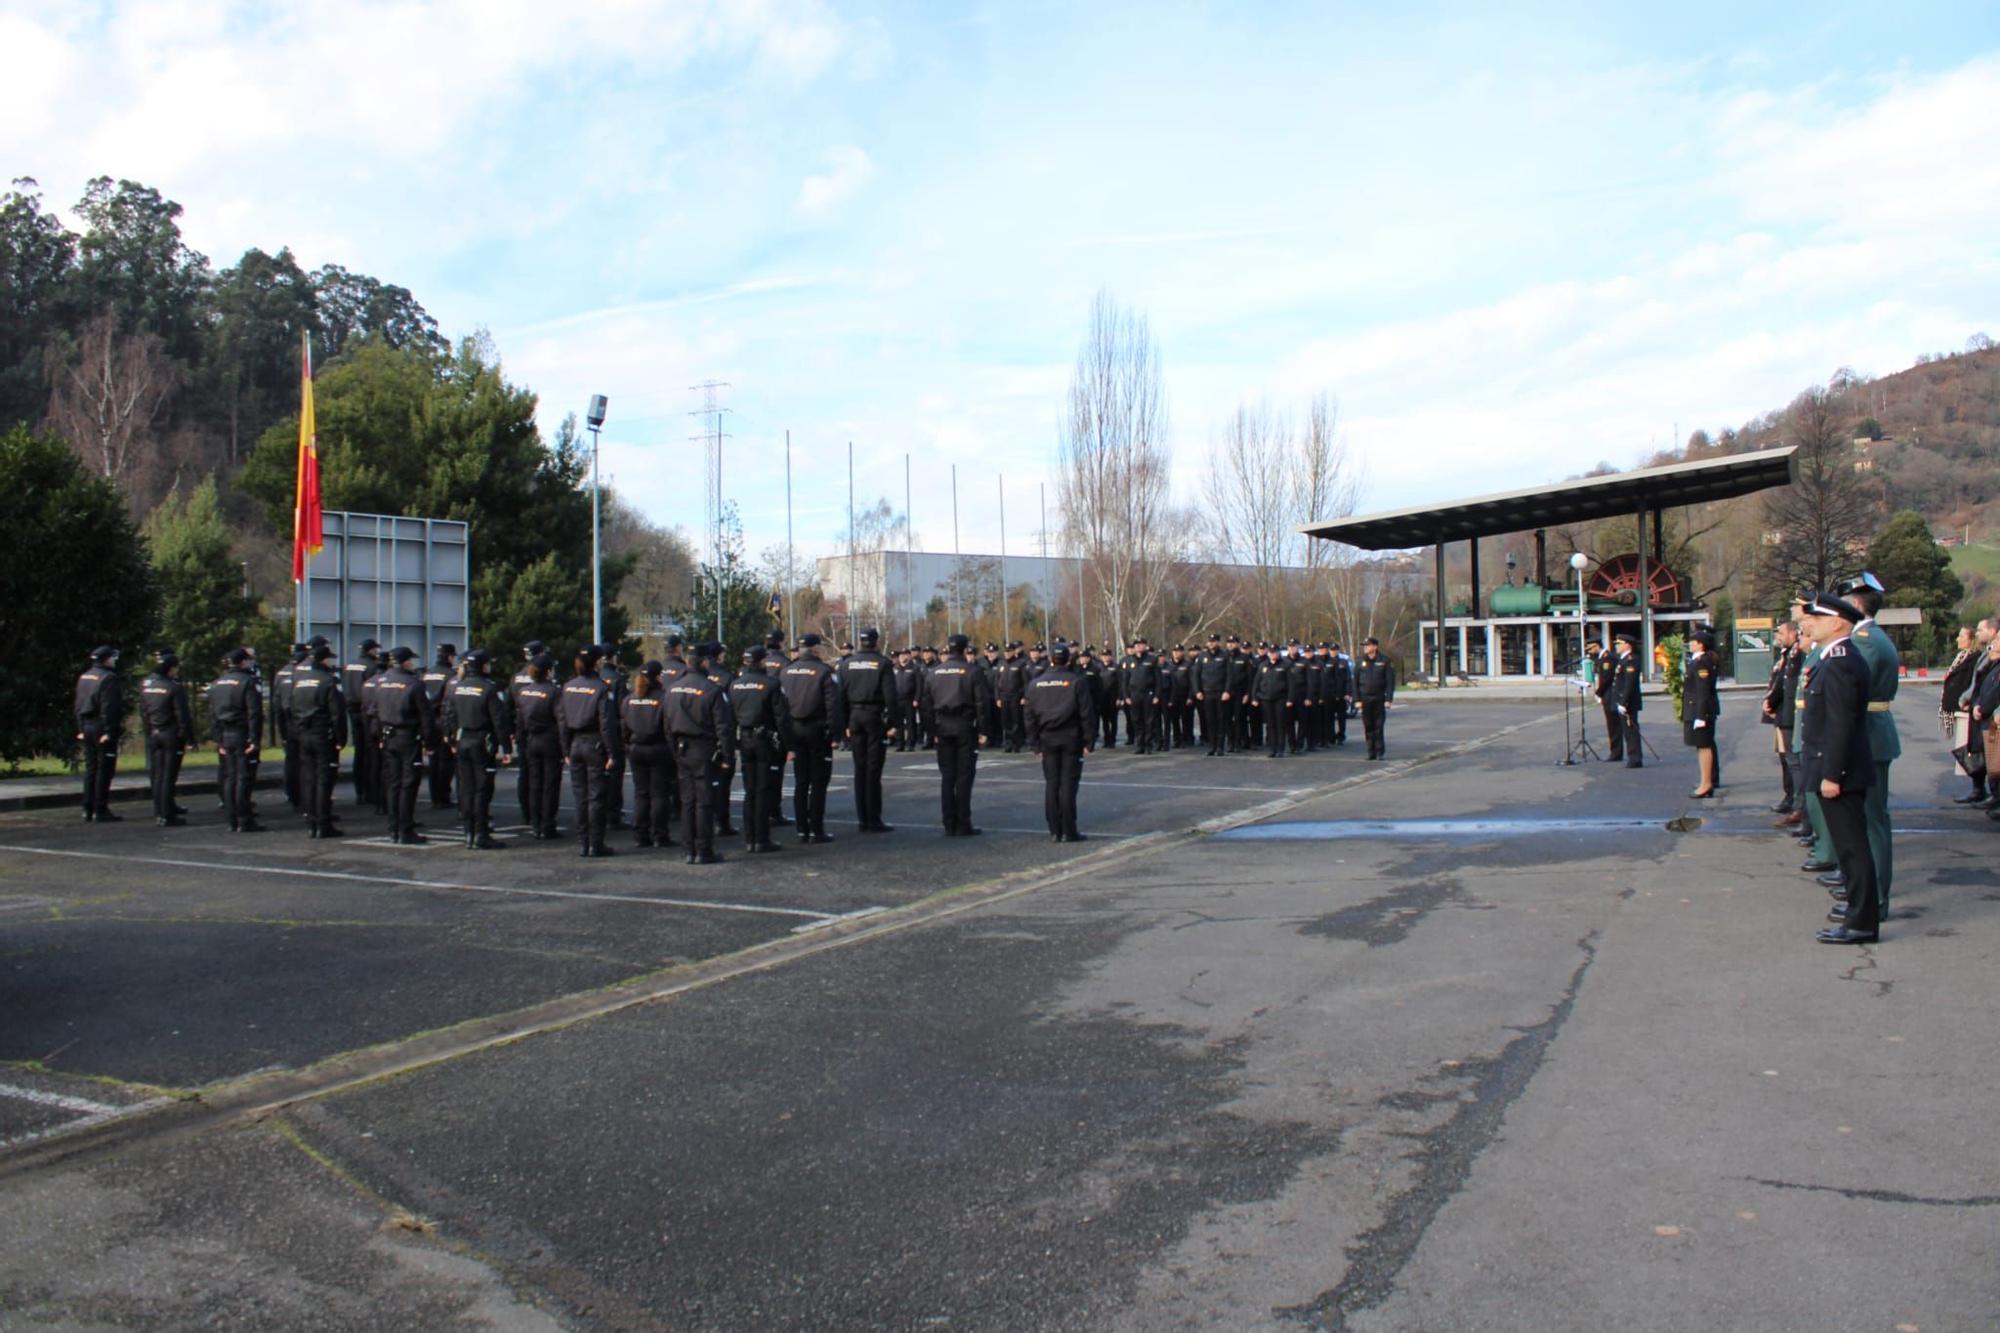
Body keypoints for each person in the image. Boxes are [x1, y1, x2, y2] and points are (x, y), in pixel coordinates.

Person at [1798, 593, 1878, 944]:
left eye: (1815, 619)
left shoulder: (1842, 661)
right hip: (1835, 770)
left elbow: (1841, 725)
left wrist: (1832, 775)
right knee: (1849, 849)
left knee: (1852, 849)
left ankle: (1861, 922)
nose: (1807, 623)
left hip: (1840, 774)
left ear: (1837, 623)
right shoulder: (1833, 659)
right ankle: (1856, 912)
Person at [1839, 573, 1901, 915]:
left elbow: (1850, 690)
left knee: (1872, 821)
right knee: (1872, 818)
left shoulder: (1864, 640)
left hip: (1869, 734)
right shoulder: (1873, 635)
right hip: (1875, 730)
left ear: (1857, 605)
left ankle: (1875, 897)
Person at [665, 642, 735, 865]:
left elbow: (666, 724)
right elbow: (723, 726)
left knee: (687, 801)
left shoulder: (673, 688)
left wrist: (674, 750)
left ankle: (690, 849)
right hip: (703, 749)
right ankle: (704, 850)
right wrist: (727, 756)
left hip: (681, 748)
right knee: (704, 802)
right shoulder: (712, 689)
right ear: (705, 662)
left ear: (687, 661)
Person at [1024, 642, 1097, 842]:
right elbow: (1086, 713)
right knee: (1068, 785)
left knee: (1052, 783)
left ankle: (1055, 829)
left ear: (1050, 660)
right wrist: (1089, 740)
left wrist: (1034, 743)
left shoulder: (1036, 683)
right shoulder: (1077, 681)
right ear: (1068, 659)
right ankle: (1069, 830)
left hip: (1047, 738)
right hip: (1070, 738)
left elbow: (1029, 715)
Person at [921, 633, 993, 836]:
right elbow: (982, 703)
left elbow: (926, 706)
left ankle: (948, 822)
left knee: (947, 777)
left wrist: (931, 732)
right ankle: (963, 822)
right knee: (964, 776)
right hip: (964, 726)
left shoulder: (934, 672)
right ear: (964, 649)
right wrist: (984, 731)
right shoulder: (972, 671)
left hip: (942, 726)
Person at [837, 627, 902, 833]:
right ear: (876, 641)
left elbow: (840, 696)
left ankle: (862, 818)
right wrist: (894, 723)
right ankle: (873, 819)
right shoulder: (882, 664)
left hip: (854, 717)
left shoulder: (846, 664)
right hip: (874, 716)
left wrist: (845, 724)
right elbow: (891, 697)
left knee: (860, 769)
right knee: (873, 770)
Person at [559, 646, 621, 858]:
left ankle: (583, 842)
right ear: (597, 663)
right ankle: (596, 843)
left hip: (575, 743)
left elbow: (563, 720)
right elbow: (606, 723)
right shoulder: (601, 688)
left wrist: (565, 748)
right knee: (596, 797)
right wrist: (612, 752)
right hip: (594, 744)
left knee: (580, 796)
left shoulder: (567, 687)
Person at [729, 647, 792, 853]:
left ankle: (750, 838)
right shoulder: (771, 684)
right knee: (763, 790)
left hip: (745, 738)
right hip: (765, 740)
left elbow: (729, 716)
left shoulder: (735, 685)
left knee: (750, 791)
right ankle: (762, 838)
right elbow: (782, 717)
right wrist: (788, 745)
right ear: (761, 661)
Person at [781, 634, 842, 843]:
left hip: (794, 730)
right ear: (815, 649)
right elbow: (833, 706)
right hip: (817, 730)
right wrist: (835, 734)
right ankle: (816, 829)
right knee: (818, 781)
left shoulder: (786, 672)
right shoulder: (825, 672)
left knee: (801, 781)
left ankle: (801, 829)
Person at [447, 649, 510, 849]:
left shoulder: (457, 687)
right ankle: (481, 833)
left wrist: (451, 741)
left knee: (466, 788)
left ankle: (469, 832)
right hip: (482, 741)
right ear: (484, 666)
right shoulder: (489, 688)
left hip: (462, 739)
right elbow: (498, 720)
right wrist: (506, 747)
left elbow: (449, 715)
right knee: (482, 789)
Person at [373, 646, 434, 844]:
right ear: (405, 662)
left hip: (388, 736)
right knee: (408, 784)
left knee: (393, 783)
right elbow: (426, 716)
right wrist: (429, 741)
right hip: (407, 737)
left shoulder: (381, 682)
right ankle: (406, 829)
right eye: (410, 660)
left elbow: (374, 710)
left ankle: (393, 828)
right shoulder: (414, 684)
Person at [291, 642, 348, 838]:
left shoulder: (299, 681)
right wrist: (341, 738)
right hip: (323, 734)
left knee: (309, 779)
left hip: (304, 733)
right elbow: (337, 714)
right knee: (324, 780)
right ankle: (323, 823)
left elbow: (292, 708)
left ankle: (312, 821)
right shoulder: (328, 681)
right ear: (324, 660)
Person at [207, 647, 265, 832]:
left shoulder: (217, 683)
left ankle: (231, 819)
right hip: (241, 733)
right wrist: (255, 739)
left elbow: (212, 714)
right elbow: (254, 713)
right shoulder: (247, 682)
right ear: (243, 662)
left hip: (225, 734)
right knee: (243, 778)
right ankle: (244, 819)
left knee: (229, 777)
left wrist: (218, 739)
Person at [619, 661, 674, 849]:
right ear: (658, 676)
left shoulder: (629, 699)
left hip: (636, 750)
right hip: (659, 749)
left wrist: (628, 745)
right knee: (660, 795)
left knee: (641, 794)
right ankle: (660, 834)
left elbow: (623, 728)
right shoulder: (663, 698)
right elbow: (668, 727)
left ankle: (641, 835)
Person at [138, 651, 194, 827]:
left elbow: (144, 712)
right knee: (168, 776)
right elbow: (182, 715)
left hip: (154, 733)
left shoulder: (147, 686)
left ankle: (159, 810)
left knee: (157, 775)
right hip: (170, 734)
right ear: (171, 668)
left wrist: (149, 732)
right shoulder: (173, 687)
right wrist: (188, 738)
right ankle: (167, 814)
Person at [512, 651, 564, 841]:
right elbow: (560, 720)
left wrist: (520, 742)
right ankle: (547, 824)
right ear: (548, 671)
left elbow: (519, 720)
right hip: (549, 740)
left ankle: (535, 824)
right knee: (550, 784)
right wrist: (564, 747)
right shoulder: (554, 691)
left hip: (530, 740)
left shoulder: (524, 691)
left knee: (535, 783)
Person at [73, 646, 125, 822]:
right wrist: (109, 731)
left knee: (91, 768)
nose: (114, 661)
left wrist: (80, 728)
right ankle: (100, 808)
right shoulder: (108, 678)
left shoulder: (85, 676)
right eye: (113, 658)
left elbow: (78, 705)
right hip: (100, 727)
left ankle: (87, 807)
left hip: (86, 726)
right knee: (105, 769)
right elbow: (109, 707)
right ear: (106, 660)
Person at [1765, 621, 1805, 824]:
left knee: (1793, 761)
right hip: (1782, 711)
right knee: (1786, 759)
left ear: (1792, 633)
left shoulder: (1797, 653)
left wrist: (1771, 701)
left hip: (1790, 712)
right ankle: (1791, 798)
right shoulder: (1788, 653)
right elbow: (1780, 680)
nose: (1778, 636)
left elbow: (1790, 683)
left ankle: (1799, 806)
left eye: (1781, 632)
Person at [1940, 624, 1984, 805]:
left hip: (1968, 709)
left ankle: (1979, 789)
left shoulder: (1974, 658)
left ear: (1971, 639)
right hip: (1960, 710)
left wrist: (1966, 700)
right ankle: (1977, 787)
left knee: (1973, 751)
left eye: (1961, 636)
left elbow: (1972, 682)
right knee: (1969, 750)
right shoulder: (1962, 657)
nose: (1958, 639)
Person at [510, 640, 547, 826]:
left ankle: (527, 812)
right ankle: (541, 815)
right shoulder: (544, 677)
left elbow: (509, 704)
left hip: (521, 728)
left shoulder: (516, 677)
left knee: (525, 773)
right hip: (541, 731)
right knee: (542, 776)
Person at [342, 639, 382, 806]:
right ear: (371, 651)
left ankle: (359, 791)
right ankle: (371, 791)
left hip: (351, 708)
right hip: (366, 710)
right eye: (375, 650)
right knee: (371, 752)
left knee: (359, 751)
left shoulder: (348, 665)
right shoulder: (372, 666)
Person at [1683, 630, 1721, 797]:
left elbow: (1703, 691)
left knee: (1704, 746)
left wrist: (1700, 715)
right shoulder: (1697, 661)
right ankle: (1706, 780)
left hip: (1701, 710)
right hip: (1696, 708)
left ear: (1700, 644)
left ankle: (1706, 784)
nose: (1690, 644)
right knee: (1701, 746)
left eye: (1693, 641)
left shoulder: (1702, 662)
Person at [422, 644, 458, 811]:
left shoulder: (427, 673)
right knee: (446, 760)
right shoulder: (451, 675)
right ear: (450, 657)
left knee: (433, 759)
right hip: (442, 719)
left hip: (427, 719)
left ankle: (434, 795)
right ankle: (443, 795)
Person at [1352, 637, 1394, 760]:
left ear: (1375, 647)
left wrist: (1389, 699)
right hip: (1365, 698)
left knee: (1379, 725)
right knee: (1368, 726)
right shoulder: (1360, 661)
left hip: (1379, 698)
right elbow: (1355, 682)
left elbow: (1389, 681)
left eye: (1368, 645)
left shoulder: (1384, 661)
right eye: (1364, 645)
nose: (1365, 647)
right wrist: (1357, 700)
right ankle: (1371, 752)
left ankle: (1380, 751)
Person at [1607, 632, 1642, 767]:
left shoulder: (1631, 660)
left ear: (1627, 645)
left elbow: (1629, 683)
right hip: (1621, 700)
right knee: (1627, 730)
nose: (1616, 646)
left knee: (1631, 730)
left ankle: (1635, 758)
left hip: (1628, 702)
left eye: (1619, 644)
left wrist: (1624, 702)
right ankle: (1632, 756)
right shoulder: (1623, 659)